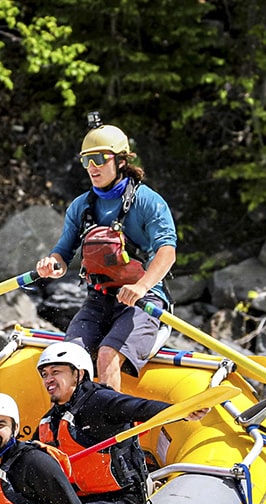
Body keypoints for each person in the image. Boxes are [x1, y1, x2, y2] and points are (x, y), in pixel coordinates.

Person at [35, 118, 177, 391]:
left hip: (144, 300)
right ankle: (72, 424)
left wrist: (141, 286)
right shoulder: (81, 207)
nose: (92, 167)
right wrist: (51, 264)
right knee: (69, 361)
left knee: (107, 354)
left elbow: (167, 251)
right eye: (86, 161)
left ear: (121, 161)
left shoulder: (147, 201)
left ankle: (116, 429)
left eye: (100, 159)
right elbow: (62, 255)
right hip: (100, 299)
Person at [35, 342, 208, 504]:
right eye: (45, 374)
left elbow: (138, 407)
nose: (49, 379)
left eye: (56, 372)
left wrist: (182, 411)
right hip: (83, 500)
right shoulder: (51, 420)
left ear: (79, 374)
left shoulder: (100, 401)